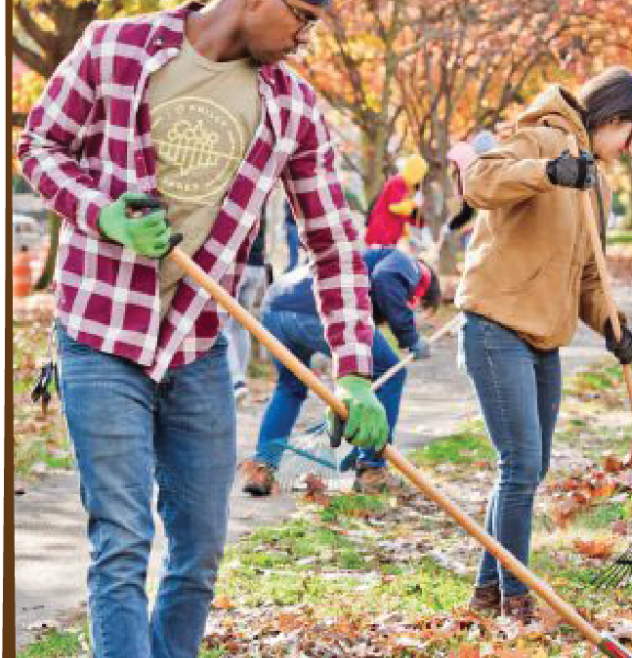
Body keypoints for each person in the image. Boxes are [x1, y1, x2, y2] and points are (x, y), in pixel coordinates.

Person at [16, 2, 389, 656]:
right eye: (303, 16)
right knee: (123, 540)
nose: (306, 38)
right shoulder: (115, 47)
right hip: (100, 333)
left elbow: (333, 249)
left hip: (196, 345)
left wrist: (355, 373)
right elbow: (38, 144)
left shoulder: (293, 108)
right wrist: (101, 214)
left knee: (199, 551)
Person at [456, 66, 632, 622]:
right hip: (496, 325)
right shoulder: (540, 137)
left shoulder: (596, 183)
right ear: (613, 118)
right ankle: (517, 600)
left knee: (531, 466)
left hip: (544, 335)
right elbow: (478, 183)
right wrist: (549, 171)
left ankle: (488, 589)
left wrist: (612, 324)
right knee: (520, 464)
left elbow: (589, 276)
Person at [240, 248, 442, 495]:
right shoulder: (408, 265)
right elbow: (386, 279)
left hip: (276, 306)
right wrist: (410, 337)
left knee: (290, 387)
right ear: (423, 289)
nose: (413, 311)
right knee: (391, 372)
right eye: (418, 307)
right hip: (318, 306)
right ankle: (372, 469)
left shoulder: (369, 262)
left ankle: (262, 466)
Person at [226, 221, 267, 403]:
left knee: (223, 325)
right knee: (241, 325)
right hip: (257, 265)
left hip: (237, 262)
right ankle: (241, 380)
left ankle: (236, 381)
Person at [364, 154, 429, 248]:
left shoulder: (405, 185)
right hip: (382, 235)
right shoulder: (398, 182)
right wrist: (412, 204)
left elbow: (403, 213)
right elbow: (394, 207)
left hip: (388, 236)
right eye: (421, 174)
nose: (421, 178)